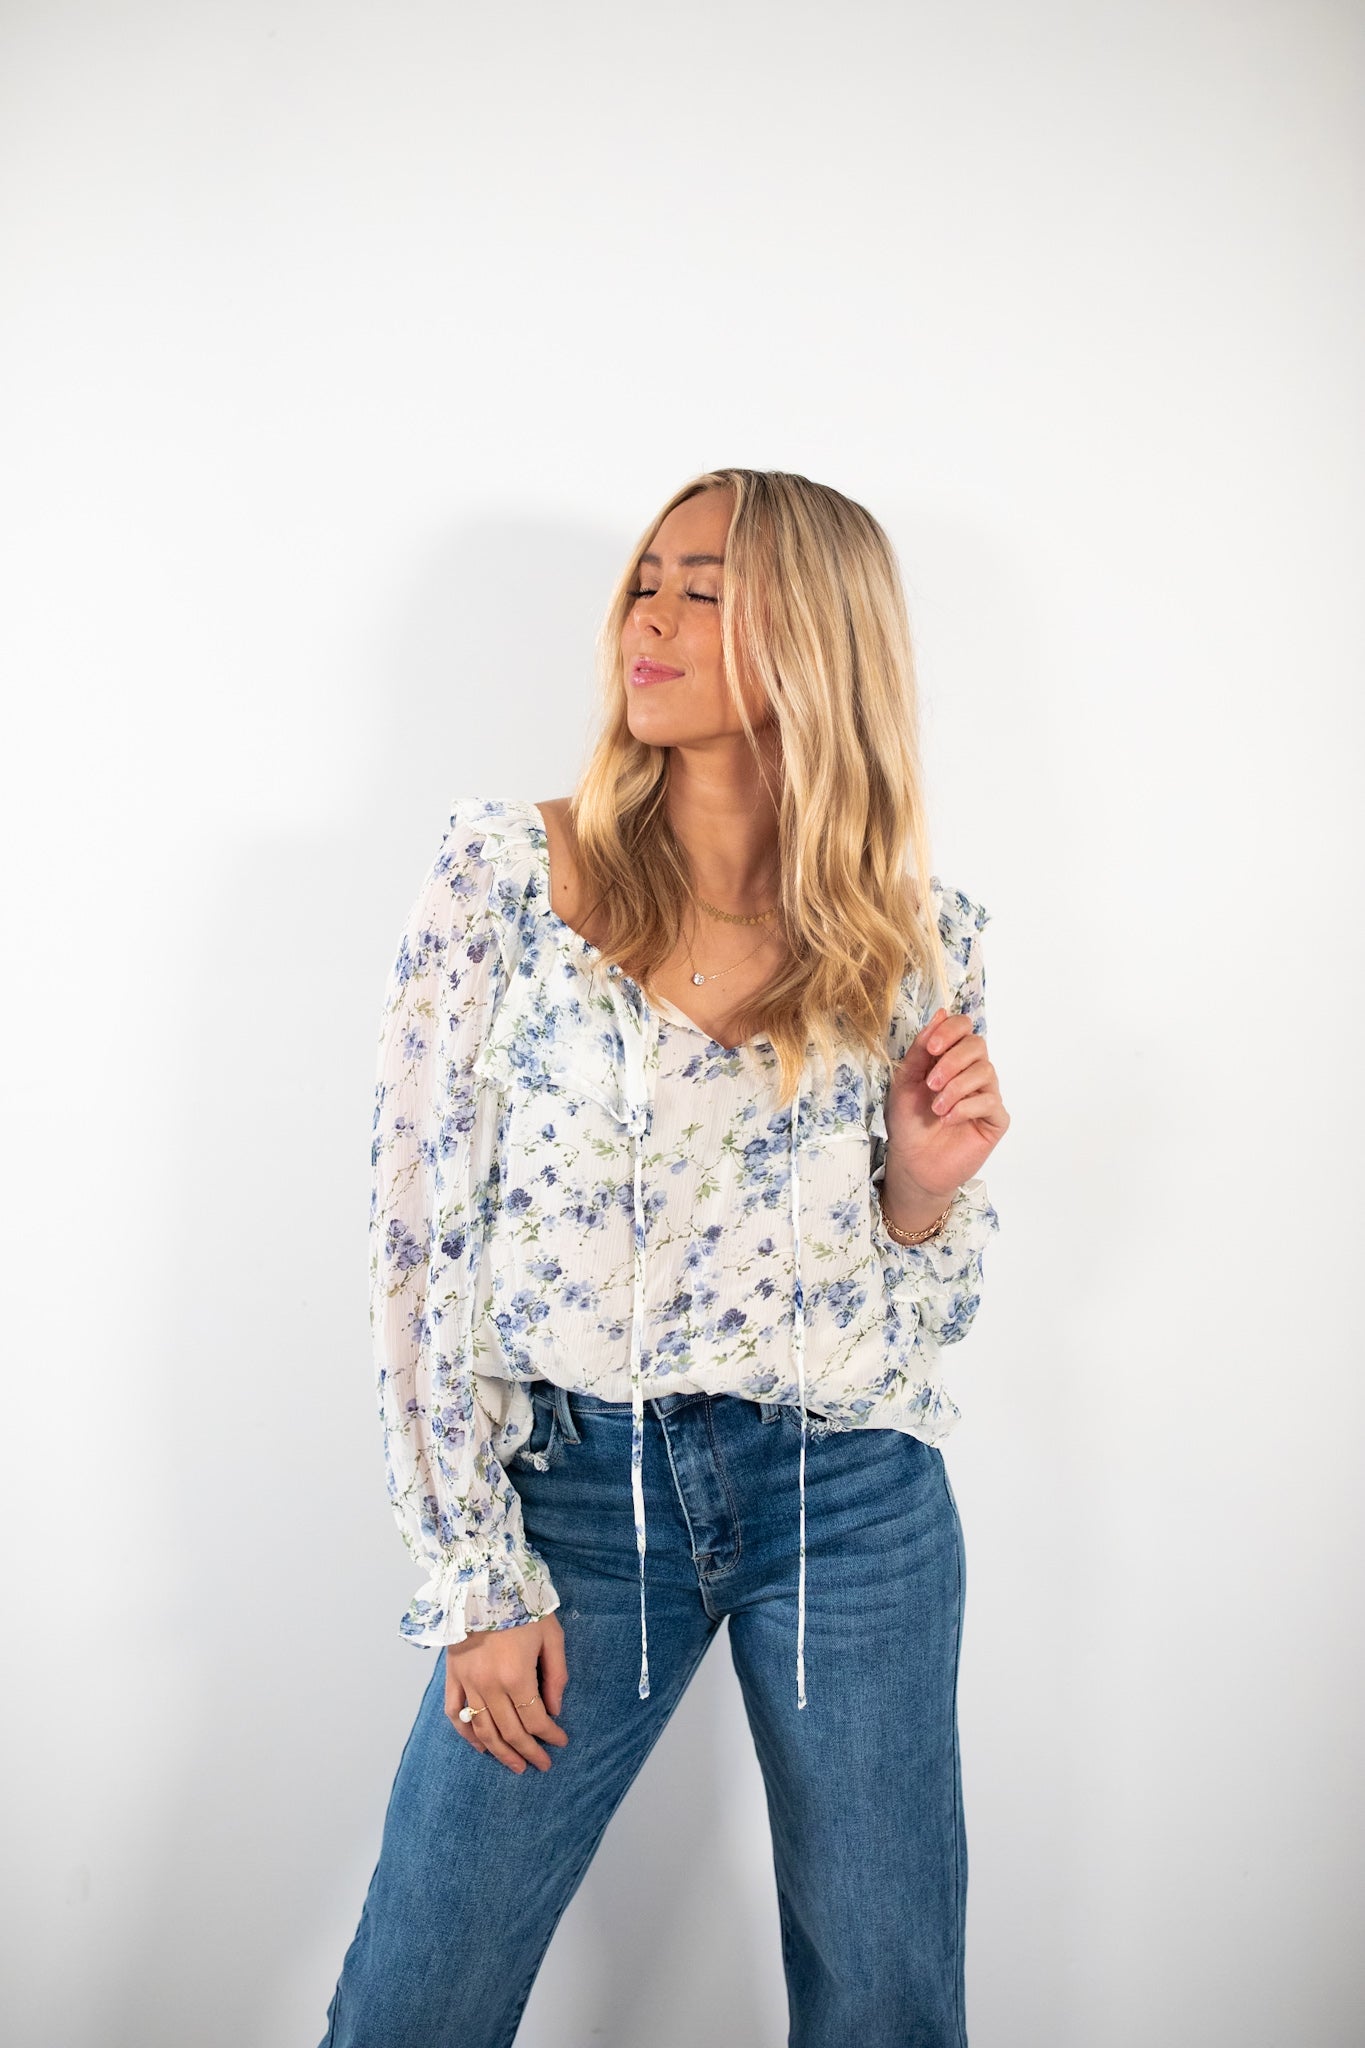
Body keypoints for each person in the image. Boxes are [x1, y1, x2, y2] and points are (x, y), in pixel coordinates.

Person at [319, 468, 1010, 2048]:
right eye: (648, 580)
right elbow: (415, 1249)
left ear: (818, 640)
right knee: (418, 1994)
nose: (652, 617)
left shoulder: (917, 938)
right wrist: (474, 1573)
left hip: (852, 1502)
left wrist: (918, 1189)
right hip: (574, 1503)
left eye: (707, 590)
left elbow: (920, 1315)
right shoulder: (505, 880)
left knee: (889, 2001)